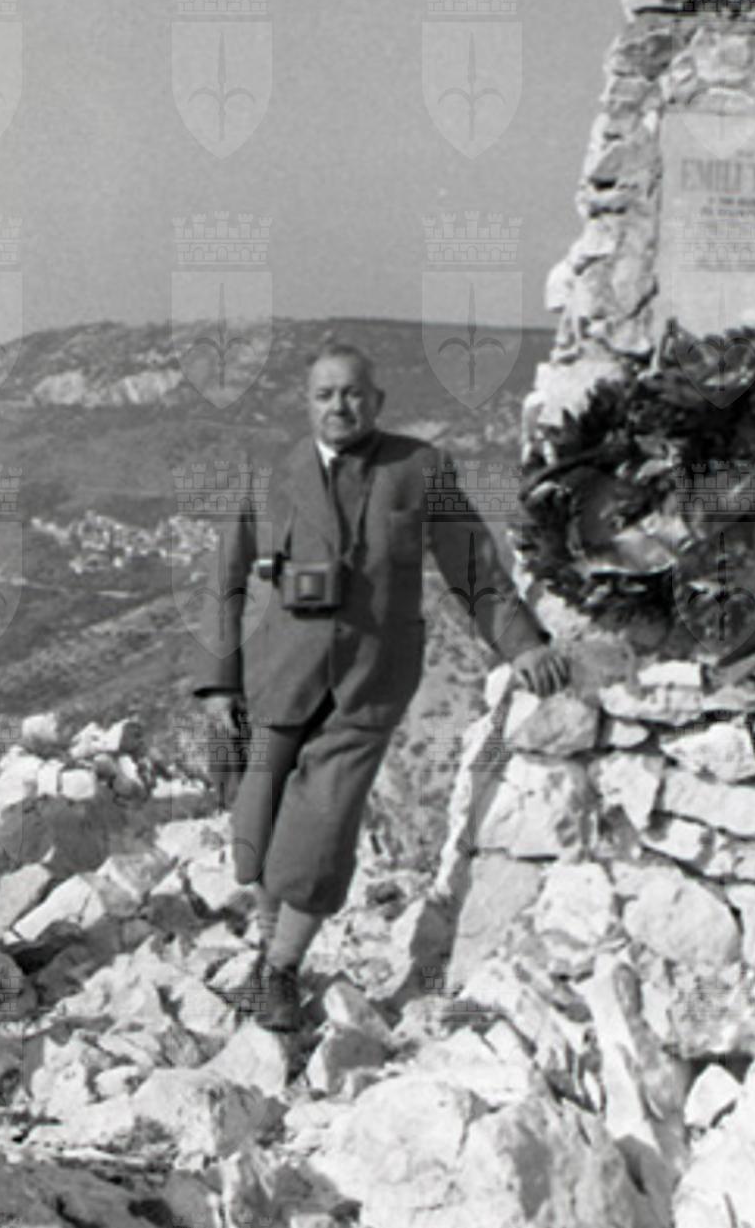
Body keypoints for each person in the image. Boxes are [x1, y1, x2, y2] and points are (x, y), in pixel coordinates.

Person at [192, 341, 567, 1031]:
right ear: (306, 403)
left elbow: (473, 566)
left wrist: (522, 643)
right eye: (325, 394)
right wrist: (220, 682)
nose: (340, 406)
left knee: (323, 822)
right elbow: (225, 580)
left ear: (378, 401)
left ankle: (281, 970)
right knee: (260, 823)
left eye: (353, 393)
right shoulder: (268, 475)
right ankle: (266, 953)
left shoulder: (420, 469)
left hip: (369, 681)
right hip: (277, 673)